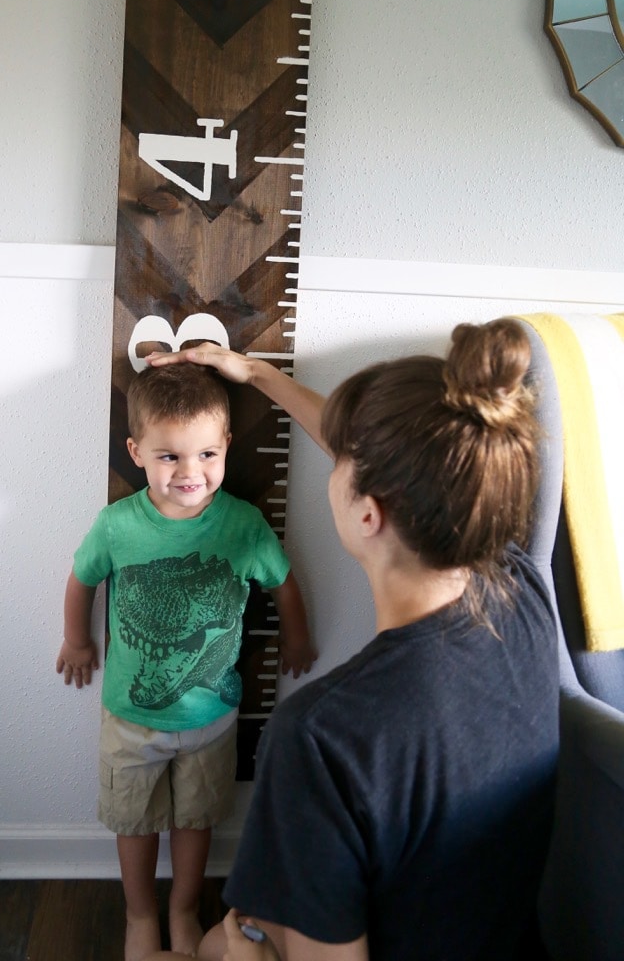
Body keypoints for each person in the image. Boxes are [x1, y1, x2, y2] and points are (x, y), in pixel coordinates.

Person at [143, 318, 559, 961]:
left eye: (345, 462)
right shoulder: (521, 589)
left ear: (368, 513)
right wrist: (255, 373)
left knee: (208, 949)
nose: (333, 461)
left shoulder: (323, 736)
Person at [56, 363, 316, 961]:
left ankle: (182, 907)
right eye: (169, 457)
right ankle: (140, 912)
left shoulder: (243, 526)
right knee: (135, 822)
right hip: (130, 717)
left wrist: (296, 637)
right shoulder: (118, 525)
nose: (190, 473)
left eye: (204, 453)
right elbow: (81, 579)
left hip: (212, 715)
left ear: (225, 446)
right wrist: (76, 639)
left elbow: (284, 585)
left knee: (196, 820)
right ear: (137, 453)